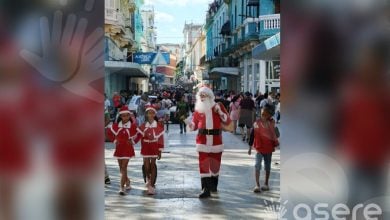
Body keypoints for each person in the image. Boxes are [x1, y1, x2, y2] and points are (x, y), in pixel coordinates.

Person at [188, 85, 231, 198]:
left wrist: (220, 112)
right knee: (203, 165)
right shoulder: (198, 109)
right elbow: (193, 127)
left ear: (210, 96)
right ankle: (205, 189)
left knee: (215, 166)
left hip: (216, 141)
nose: (202, 97)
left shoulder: (218, 106)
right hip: (202, 140)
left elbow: (227, 121)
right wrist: (187, 122)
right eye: (200, 95)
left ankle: (213, 185)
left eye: (204, 95)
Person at [133, 105, 164, 195]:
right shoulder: (143, 126)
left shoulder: (158, 125)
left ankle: (152, 185)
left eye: (152, 112)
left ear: (154, 114)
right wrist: (132, 142)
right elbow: (138, 136)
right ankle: (148, 178)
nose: (150, 114)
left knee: (153, 164)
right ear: (146, 114)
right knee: (146, 165)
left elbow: (161, 138)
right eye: (149, 113)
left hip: (154, 146)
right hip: (145, 146)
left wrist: (160, 150)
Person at [248, 104, 279, 193]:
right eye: (262, 114)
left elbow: (277, 135)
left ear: (270, 115)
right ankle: (257, 185)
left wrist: (274, 129)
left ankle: (266, 183)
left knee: (267, 166)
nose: (263, 116)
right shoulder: (256, 123)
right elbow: (252, 135)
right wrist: (250, 147)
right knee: (257, 165)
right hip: (259, 148)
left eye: (265, 115)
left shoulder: (272, 123)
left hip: (268, 149)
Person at [107, 106, 138, 195]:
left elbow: (139, 134)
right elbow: (109, 133)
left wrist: (132, 141)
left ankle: (121, 187)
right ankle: (127, 181)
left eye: (127, 115)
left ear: (129, 116)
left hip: (128, 148)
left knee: (124, 167)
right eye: (123, 116)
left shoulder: (133, 126)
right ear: (120, 116)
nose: (125, 117)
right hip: (119, 148)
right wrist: (114, 140)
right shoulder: (116, 126)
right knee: (121, 168)